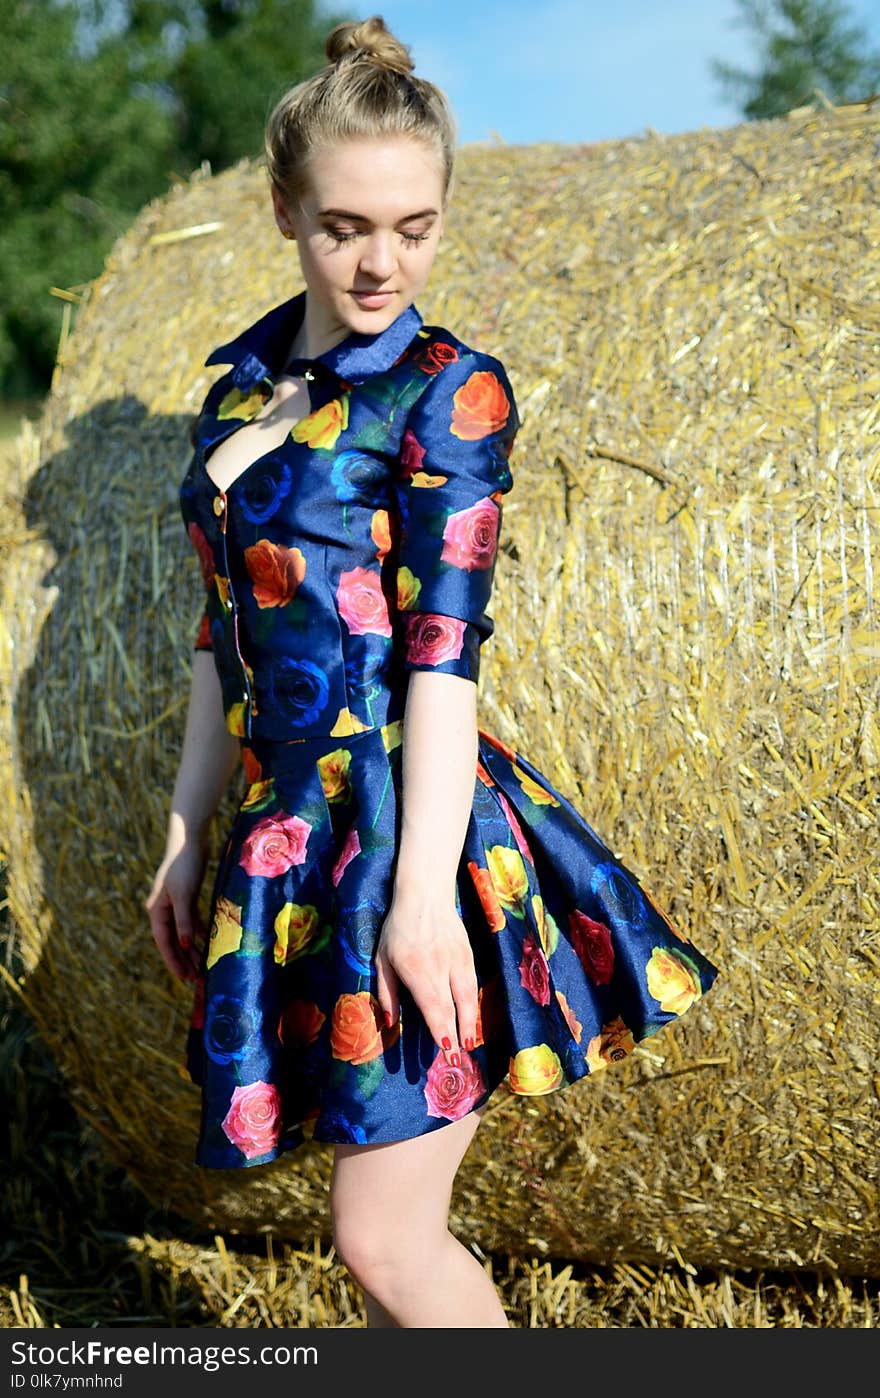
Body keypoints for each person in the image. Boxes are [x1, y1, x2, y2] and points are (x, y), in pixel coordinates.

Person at [146, 14, 720, 1329]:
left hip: (409, 827)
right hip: (281, 824)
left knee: (386, 1241)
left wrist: (417, 903)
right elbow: (216, 632)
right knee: (376, 1239)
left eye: (416, 227)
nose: (380, 259)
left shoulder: (449, 394)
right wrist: (189, 830)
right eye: (346, 223)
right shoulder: (235, 391)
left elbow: (443, 666)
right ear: (285, 206)